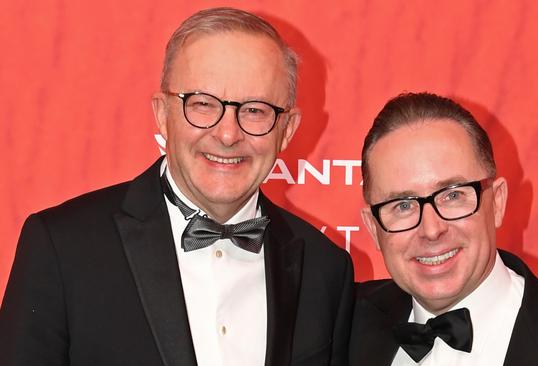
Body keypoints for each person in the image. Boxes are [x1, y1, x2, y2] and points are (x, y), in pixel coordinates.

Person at [0, 8, 353, 366]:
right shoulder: (63, 246)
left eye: (255, 110)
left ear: (288, 129)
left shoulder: (325, 269)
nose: (228, 134)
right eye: (202, 104)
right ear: (162, 114)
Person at [350, 92, 538, 365]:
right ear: (374, 228)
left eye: (453, 195)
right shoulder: (342, 325)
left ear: (497, 203)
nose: (431, 229)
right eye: (403, 205)